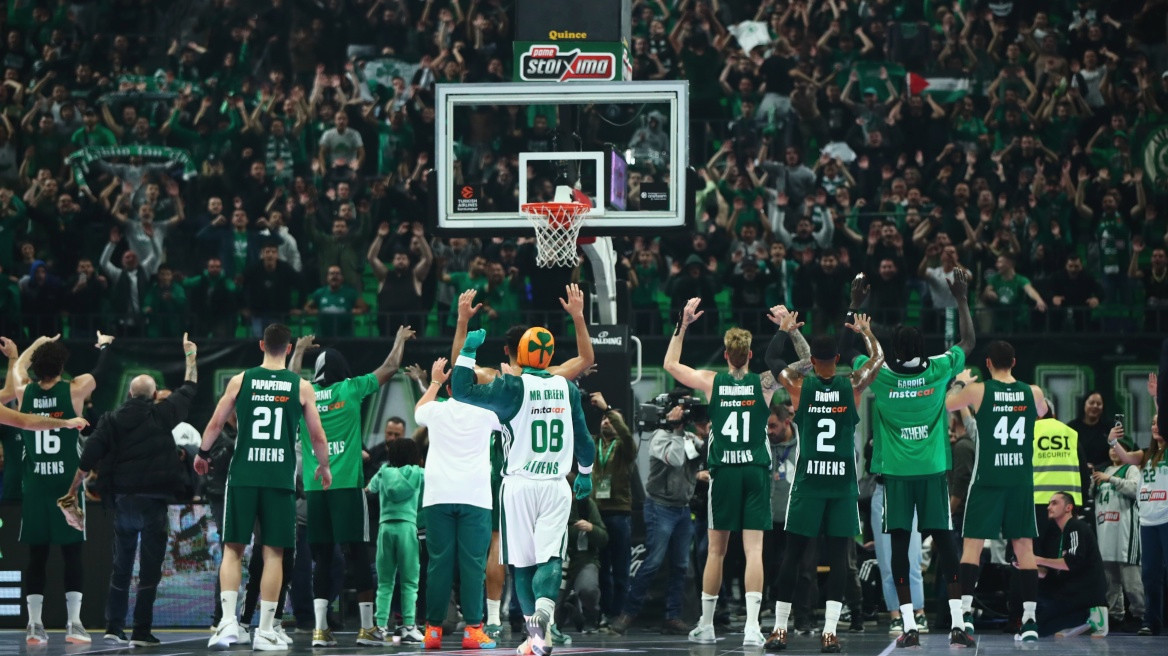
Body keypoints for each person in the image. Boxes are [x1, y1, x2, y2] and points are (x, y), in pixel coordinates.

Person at [448, 285, 594, 638]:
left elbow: (459, 384)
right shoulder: (563, 383)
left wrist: (464, 333)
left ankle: (528, 628)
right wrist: (578, 316)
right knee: (550, 557)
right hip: (554, 480)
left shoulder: (501, 382)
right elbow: (587, 362)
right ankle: (542, 623)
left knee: (517, 560)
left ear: (508, 350)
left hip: (515, 478)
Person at [193, 323, 332, 651]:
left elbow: (215, 423)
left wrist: (202, 453)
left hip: (243, 475)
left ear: (261, 345)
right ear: (289, 348)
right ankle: (266, 630)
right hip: (278, 478)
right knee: (274, 553)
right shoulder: (301, 386)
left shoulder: (241, 380)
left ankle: (228, 622)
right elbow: (317, 435)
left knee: (233, 549)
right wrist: (324, 466)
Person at [858, 269, 975, 648]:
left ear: (893, 350)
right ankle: (958, 623)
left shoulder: (881, 376)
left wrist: (855, 307)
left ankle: (908, 625)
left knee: (898, 550)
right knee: (947, 546)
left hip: (896, 477)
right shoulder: (939, 370)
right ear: (923, 347)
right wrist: (961, 298)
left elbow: (852, 349)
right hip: (932, 473)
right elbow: (969, 341)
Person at [65, 334, 199, 647]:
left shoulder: (111, 419)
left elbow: (87, 459)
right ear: (154, 396)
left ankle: (113, 626)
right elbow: (190, 387)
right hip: (153, 503)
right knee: (149, 570)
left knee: (121, 566)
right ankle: (141, 631)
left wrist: (71, 491)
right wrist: (190, 355)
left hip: (123, 502)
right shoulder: (163, 414)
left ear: (128, 393)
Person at [287, 327, 415, 647]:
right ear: (341, 369)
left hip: (316, 490)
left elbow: (289, 379)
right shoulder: (351, 388)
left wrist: (299, 350)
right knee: (358, 555)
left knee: (322, 558)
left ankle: (320, 630)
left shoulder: (305, 394)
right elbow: (389, 367)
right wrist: (398, 340)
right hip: (347, 486)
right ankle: (367, 628)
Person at [766, 307, 884, 653]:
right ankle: (830, 632)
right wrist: (865, 331)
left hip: (809, 484)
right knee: (838, 561)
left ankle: (780, 629)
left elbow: (773, 359)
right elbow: (878, 358)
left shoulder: (799, 385)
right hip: (842, 486)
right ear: (837, 358)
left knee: (792, 556)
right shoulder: (854, 384)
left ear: (813, 360)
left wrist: (787, 330)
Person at [664, 298, 778, 646]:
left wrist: (683, 325)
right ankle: (753, 628)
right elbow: (803, 366)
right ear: (750, 355)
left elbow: (670, 364)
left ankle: (707, 625)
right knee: (754, 551)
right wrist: (787, 330)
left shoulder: (712, 381)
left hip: (725, 471)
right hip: (755, 470)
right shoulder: (765, 383)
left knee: (717, 551)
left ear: (726, 355)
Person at [944, 341, 1049, 642]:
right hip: (1019, 479)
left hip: (987, 478)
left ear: (988, 363)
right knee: (1024, 548)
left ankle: (965, 615)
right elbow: (1042, 411)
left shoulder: (979, 391)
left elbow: (949, 403)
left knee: (972, 547)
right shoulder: (1033, 392)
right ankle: (1029, 620)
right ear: (1014, 362)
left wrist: (961, 381)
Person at [0, 334, 100, 645]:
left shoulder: (24, 390)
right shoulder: (75, 389)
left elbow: (19, 370)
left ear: (36, 367)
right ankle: (74, 624)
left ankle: (34, 625)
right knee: (72, 554)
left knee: (37, 555)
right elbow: (97, 374)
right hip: (67, 486)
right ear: (61, 365)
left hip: (36, 486)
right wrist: (104, 346)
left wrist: (30, 347)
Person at [412, 356, 500, 649]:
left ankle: (433, 631)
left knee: (438, 564)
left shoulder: (436, 409)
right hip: (475, 497)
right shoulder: (487, 412)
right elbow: (512, 410)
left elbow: (418, 412)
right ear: (472, 388)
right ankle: (473, 629)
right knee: (472, 565)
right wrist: (502, 381)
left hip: (438, 497)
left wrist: (435, 381)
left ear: (449, 389)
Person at [610, 398, 704, 635]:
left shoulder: (688, 438)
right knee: (652, 563)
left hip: (683, 508)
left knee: (681, 565)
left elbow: (702, 457)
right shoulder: (659, 438)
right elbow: (675, 459)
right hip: (660, 507)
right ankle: (628, 613)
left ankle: (672, 616)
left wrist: (705, 433)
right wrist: (676, 430)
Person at [1110, 389, 1167, 636]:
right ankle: (1151, 621)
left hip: (1166, 519)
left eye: (1158, 422)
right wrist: (1113, 441)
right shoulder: (1145, 454)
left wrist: (1156, 400)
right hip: (1147, 522)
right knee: (1150, 575)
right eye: (1152, 423)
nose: (1155, 426)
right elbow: (1124, 457)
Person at [367, 438, 425, 645]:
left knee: (385, 581)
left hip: (385, 528)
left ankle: (381, 626)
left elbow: (369, 489)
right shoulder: (419, 474)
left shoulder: (383, 472)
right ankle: (408, 626)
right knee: (409, 581)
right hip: (407, 527)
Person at [585, 392, 635, 631]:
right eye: (604, 419)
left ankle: (619, 614)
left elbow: (626, 434)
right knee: (602, 568)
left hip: (619, 512)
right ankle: (605, 613)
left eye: (611, 419)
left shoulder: (625, 448)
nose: (606, 421)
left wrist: (607, 409)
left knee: (621, 568)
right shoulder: (593, 443)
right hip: (597, 513)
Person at [1034, 492, 1108, 637]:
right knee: (1038, 623)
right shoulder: (1060, 533)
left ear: (1068, 508)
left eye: (1054, 503)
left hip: (1084, 591)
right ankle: (1078, 619)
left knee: (1041, 627)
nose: (1049, 507)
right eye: (1049, 503)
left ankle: (1091, 614)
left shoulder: (1076, 526)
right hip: (1071, 589)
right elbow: (1051, 572)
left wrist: (1038, 559)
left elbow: (1071, 563)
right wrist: (1028, 565)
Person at [1092, 438, 1145, 629]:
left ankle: (1141, 615)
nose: (1114, 451)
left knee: (1132, 582)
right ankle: (1116, 614)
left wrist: (1111, 480)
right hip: (1105, 532)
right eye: (1111, 447)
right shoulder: (1104, 470)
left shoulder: (1131, 469)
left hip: (1126, 534)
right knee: (1110, 581)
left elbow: (1136, 489)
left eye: (1118, 447)